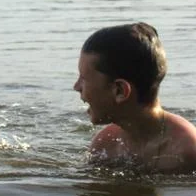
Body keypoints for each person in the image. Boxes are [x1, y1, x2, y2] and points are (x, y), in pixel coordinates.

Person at [73, 22, 196, 173]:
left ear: (120, 91)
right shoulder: (105, 144)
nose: (76, 87)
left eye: (84, 79)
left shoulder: (187, 151)